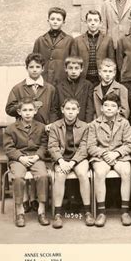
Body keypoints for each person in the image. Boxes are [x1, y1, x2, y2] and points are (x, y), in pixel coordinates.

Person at [87, 93, 131, 227]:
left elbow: (129, 144)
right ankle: (101, 211)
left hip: (120, 156)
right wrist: (105, 154)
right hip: (101, 156)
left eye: (113, 106)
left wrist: (116, 154)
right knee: (100, 173)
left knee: (126, 172)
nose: (109, 108)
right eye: (106, 105)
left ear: (119, 109)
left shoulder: (124, 123)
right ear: (101, 108)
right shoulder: (94, 124)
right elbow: (90, 146)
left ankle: (125, 211)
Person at [3, 98, 50, 227]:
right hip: (19, 159)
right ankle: (20, 211)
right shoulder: (11, 129)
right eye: (24, 110)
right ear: (19, 112)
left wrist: (37, 156)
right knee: (18, 177)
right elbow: (8, 148)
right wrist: (20, 158)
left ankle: (41, 210)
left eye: (30, 110)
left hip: (35, 157)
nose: (28, 113)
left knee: (43, 176)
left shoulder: (41, 127)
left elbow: (44, 145)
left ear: (35, 111)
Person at [48, 98, 95, 228]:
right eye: (67, 109)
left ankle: (87, 212)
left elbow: (84, 147)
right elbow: (52, 146)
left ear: (78, 111)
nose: (70, 112)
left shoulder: (85, 126)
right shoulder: (55, 126)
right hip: (62, 158)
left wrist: (73, 162)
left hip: (78, 159)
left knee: (82, 174)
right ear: (62, 110)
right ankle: (57, 214)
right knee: (60, 175)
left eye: (73, 109)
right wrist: (61, 161)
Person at [6, 53, 58, 127]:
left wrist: (51, 124)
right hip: (24, 130)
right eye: (31, 67)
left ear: (43, 68)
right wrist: (24, 106)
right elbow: (9, 109)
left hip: (44, 129)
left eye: (37, 67)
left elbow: (54, 110)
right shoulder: (17, 88)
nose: (34, 70)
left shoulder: (50, 89)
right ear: (26, 68)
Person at [71, 10, 115, 86]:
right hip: (83, 79)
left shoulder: (108, 40)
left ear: (100, 23)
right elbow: (74, 61)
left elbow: (112, 61)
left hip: (101, 79)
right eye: (90, 20)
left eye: (96, 20)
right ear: (86, 22)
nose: (92, 23)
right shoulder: (77, 40)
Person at [33, 7, 74, 86]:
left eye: (58, 20)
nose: (55, 22)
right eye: (52, 19)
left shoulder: (69, 40)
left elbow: (72, 63)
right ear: (48, 20)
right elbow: (34, 62)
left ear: (64, 22)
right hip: (43, 80)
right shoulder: (40, 40)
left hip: (62, 81)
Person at [54, 56, 95, 122]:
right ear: (65, 69)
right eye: (70, 68)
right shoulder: (59, 86)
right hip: (64, 123)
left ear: (81, 69)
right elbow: (55, 108)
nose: (73, 71)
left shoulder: (88, 85)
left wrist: (88, 123)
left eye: (76, 68)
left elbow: (89, 107)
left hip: (82, 123)